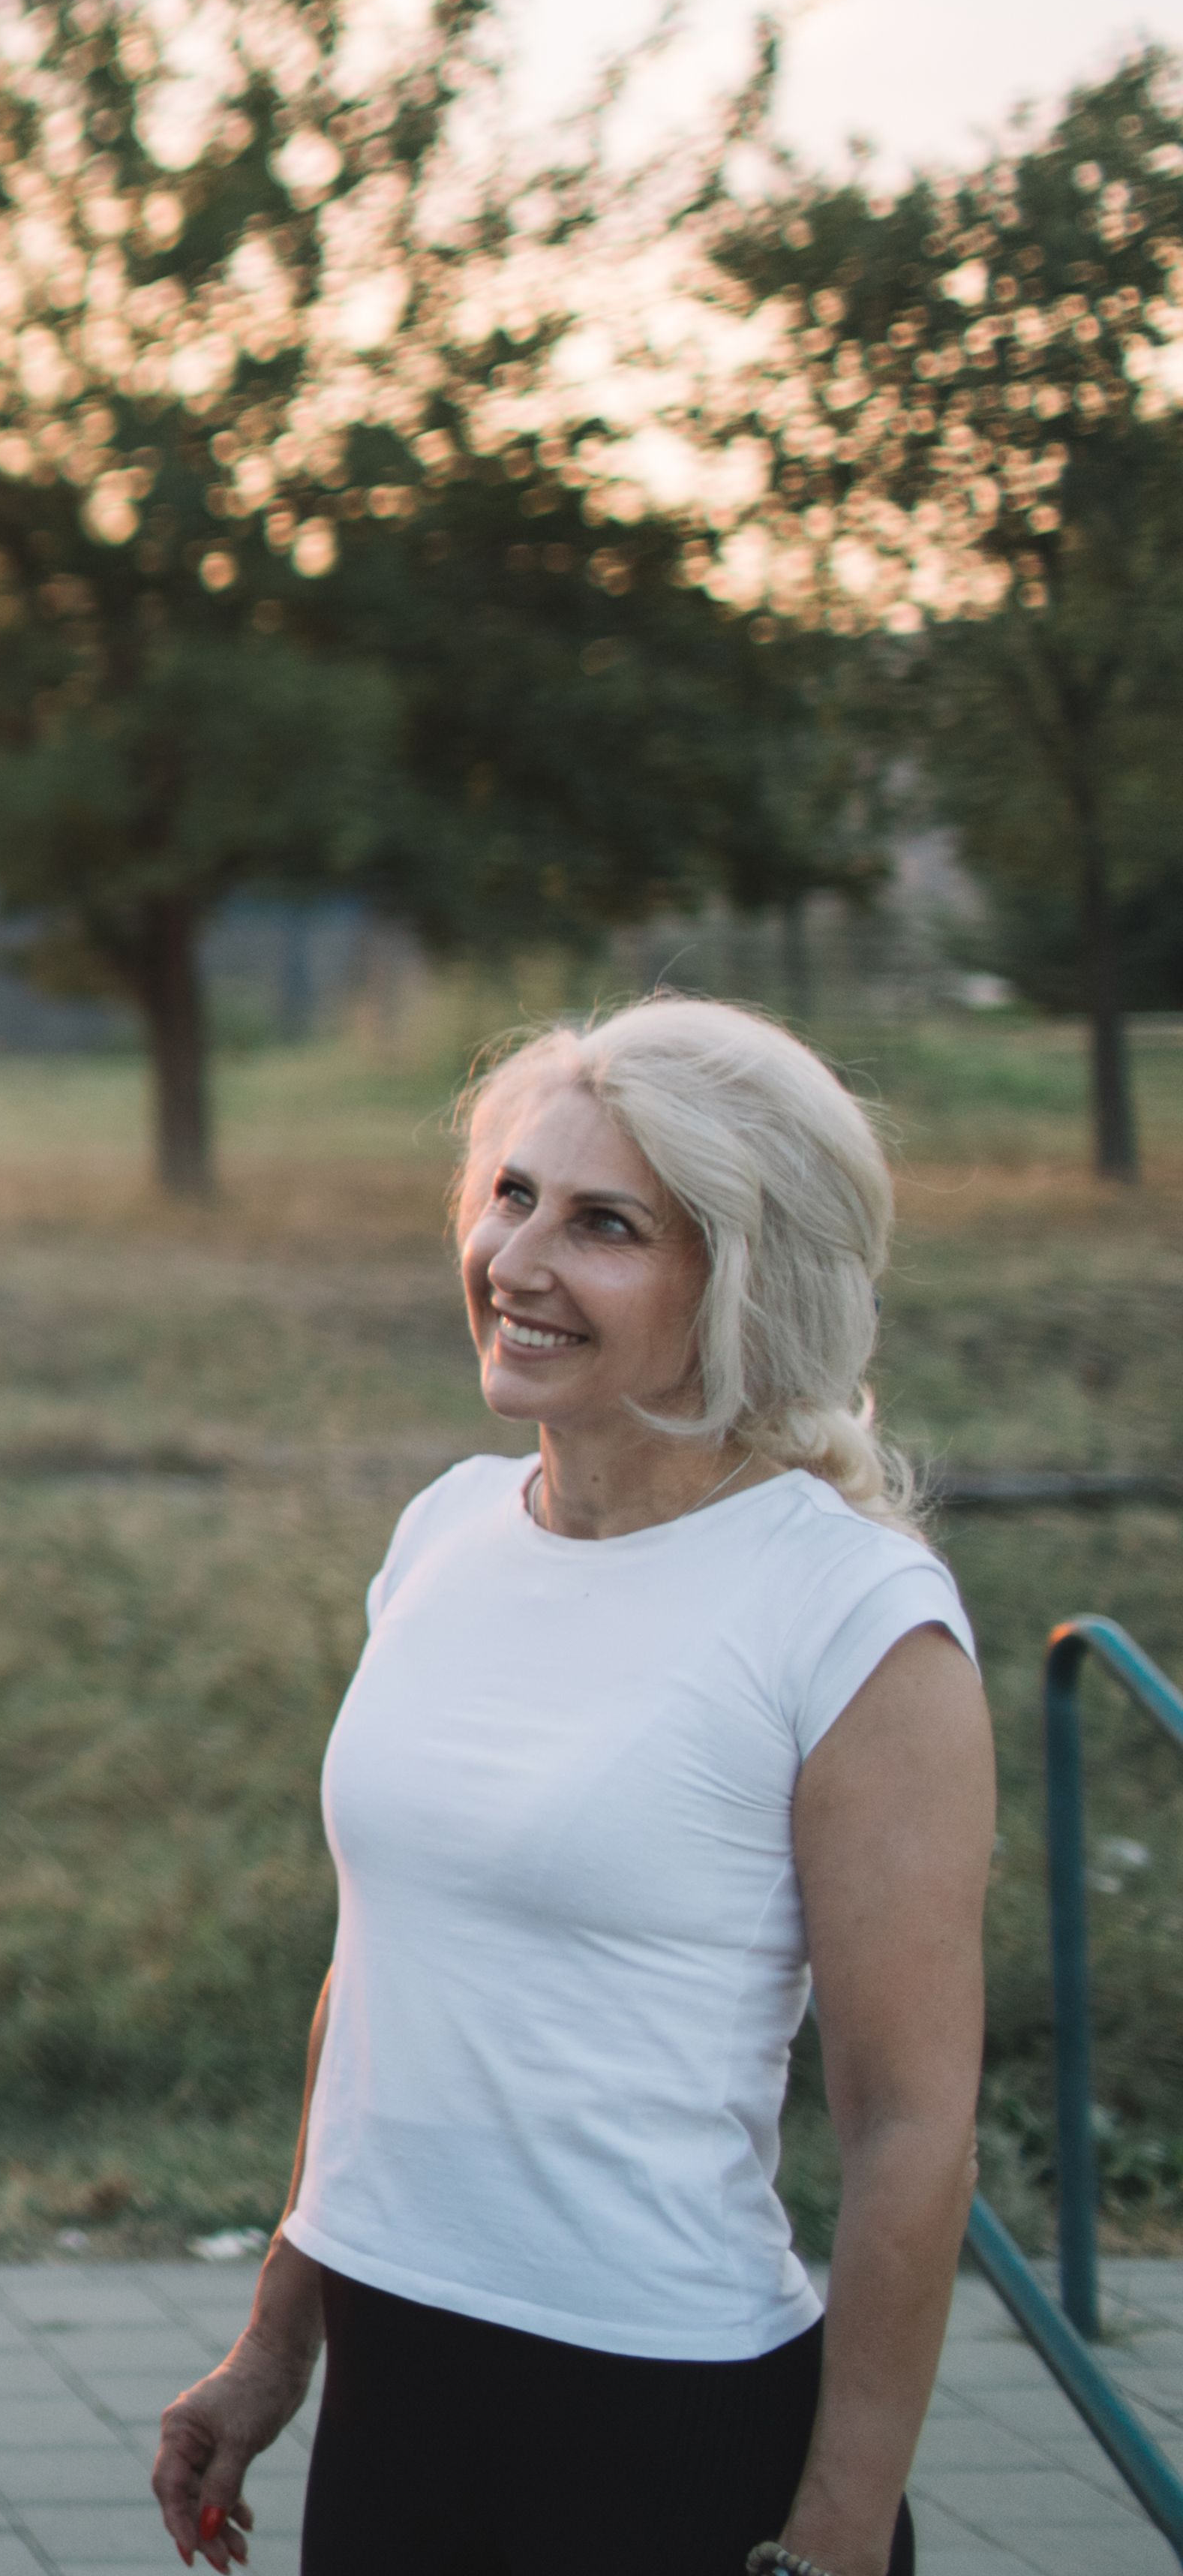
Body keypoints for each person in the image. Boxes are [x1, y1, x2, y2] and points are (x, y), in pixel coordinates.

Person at [149, 996, 990, 2575]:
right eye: (514, 1195)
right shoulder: (446, 1530)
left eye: (606, 1224)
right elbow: (386, 1973)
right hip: (401, 2387)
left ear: (743, 1277)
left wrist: (838, 2527)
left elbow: (909, 2122)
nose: (517, 1262)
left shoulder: (856, 1618)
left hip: (656, 2414)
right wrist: (279, 2342)